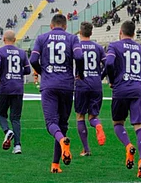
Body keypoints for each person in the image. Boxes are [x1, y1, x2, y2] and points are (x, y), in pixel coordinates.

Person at [29, 14, 84, 173]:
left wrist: (42, 72)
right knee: (63, 124)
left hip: (49, 85)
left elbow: (33, 60)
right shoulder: (72, 38)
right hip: (67, 85)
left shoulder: (42, 38)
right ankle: (55, 164)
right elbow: (79, 56)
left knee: (51, 124)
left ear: (51, 26)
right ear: (65, 26)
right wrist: (79, 72)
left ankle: (61, 143)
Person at [105, 21, 141, 178]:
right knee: (140, 127)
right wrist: (138, 77)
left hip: (120, 90)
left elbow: (109, 63)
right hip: (137, 90)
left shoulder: (114, 46)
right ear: (134, 34)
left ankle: (128, 145)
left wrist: (112, 79)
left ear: (120, 32)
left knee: (118, 123)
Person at [0, 31, 30, 154]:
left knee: (1, 115)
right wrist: (17, 74)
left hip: (5, 87)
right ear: (15, 40)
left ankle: (7, 131)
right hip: (18, 88)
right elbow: (28, 69)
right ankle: (17, 145)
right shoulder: (21, 52)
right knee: (16, 118)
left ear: (4, 39)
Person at [75, 22, 106, 157]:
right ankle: (97, 125)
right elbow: (108, 64)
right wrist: (101, 76)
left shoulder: (76, 47)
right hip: (96, 84)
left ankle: (86, 149)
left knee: (80, 116)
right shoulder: (98, 47)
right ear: (91, 33)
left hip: (82, 83)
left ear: (80, 33)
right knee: (93, 116)